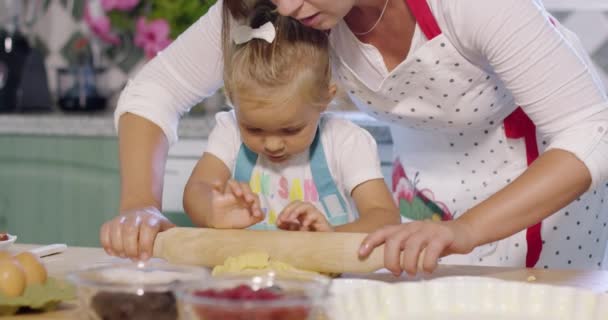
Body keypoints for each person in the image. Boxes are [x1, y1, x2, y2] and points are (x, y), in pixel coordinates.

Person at [101, 0, 608, 276]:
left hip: (549, 226)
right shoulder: (293, 11)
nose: (288, 6)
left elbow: (593, 129)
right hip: (422, 230)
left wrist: (469, 231)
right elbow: (155, 89)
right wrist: (140, 205)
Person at [182, 2, 399, 232]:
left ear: (325, 99)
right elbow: (197, 190)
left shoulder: (345, 142)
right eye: (254, 129)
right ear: (232, 98)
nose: (273, 144)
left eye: (290, 130)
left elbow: (384, 217)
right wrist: (211, 210)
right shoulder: (229, 132)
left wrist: (331, 237)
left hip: (326, 267)